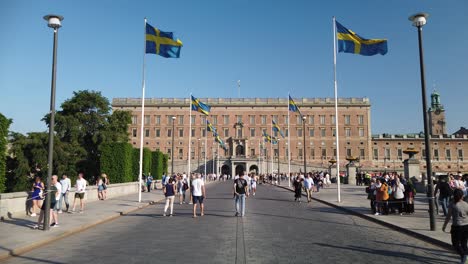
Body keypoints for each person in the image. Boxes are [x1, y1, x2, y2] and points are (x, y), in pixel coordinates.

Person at [443, 189, 468, 264]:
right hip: (466, 226)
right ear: (462, 196)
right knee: (464, 243)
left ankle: (464, 256)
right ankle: (465, 258)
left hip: (457, 227)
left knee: (455, 244)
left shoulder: (452, 204)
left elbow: (448, 216)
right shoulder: (466, 204)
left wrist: (444, 225)